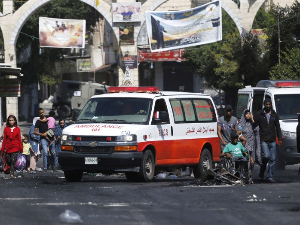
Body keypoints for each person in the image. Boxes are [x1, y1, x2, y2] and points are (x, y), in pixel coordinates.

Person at [254, 99, 282, 183]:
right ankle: (262, 171)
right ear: (264, 105)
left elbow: (278, 127)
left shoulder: (274, 115)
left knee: (272, 159)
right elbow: (254, 122)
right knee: (266, 156)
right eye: (266, 104)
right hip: (264, 139)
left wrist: (279, 138)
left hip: (272, 139)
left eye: (269, 104)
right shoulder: (260, 114)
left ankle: (269, 176)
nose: (268, 106)